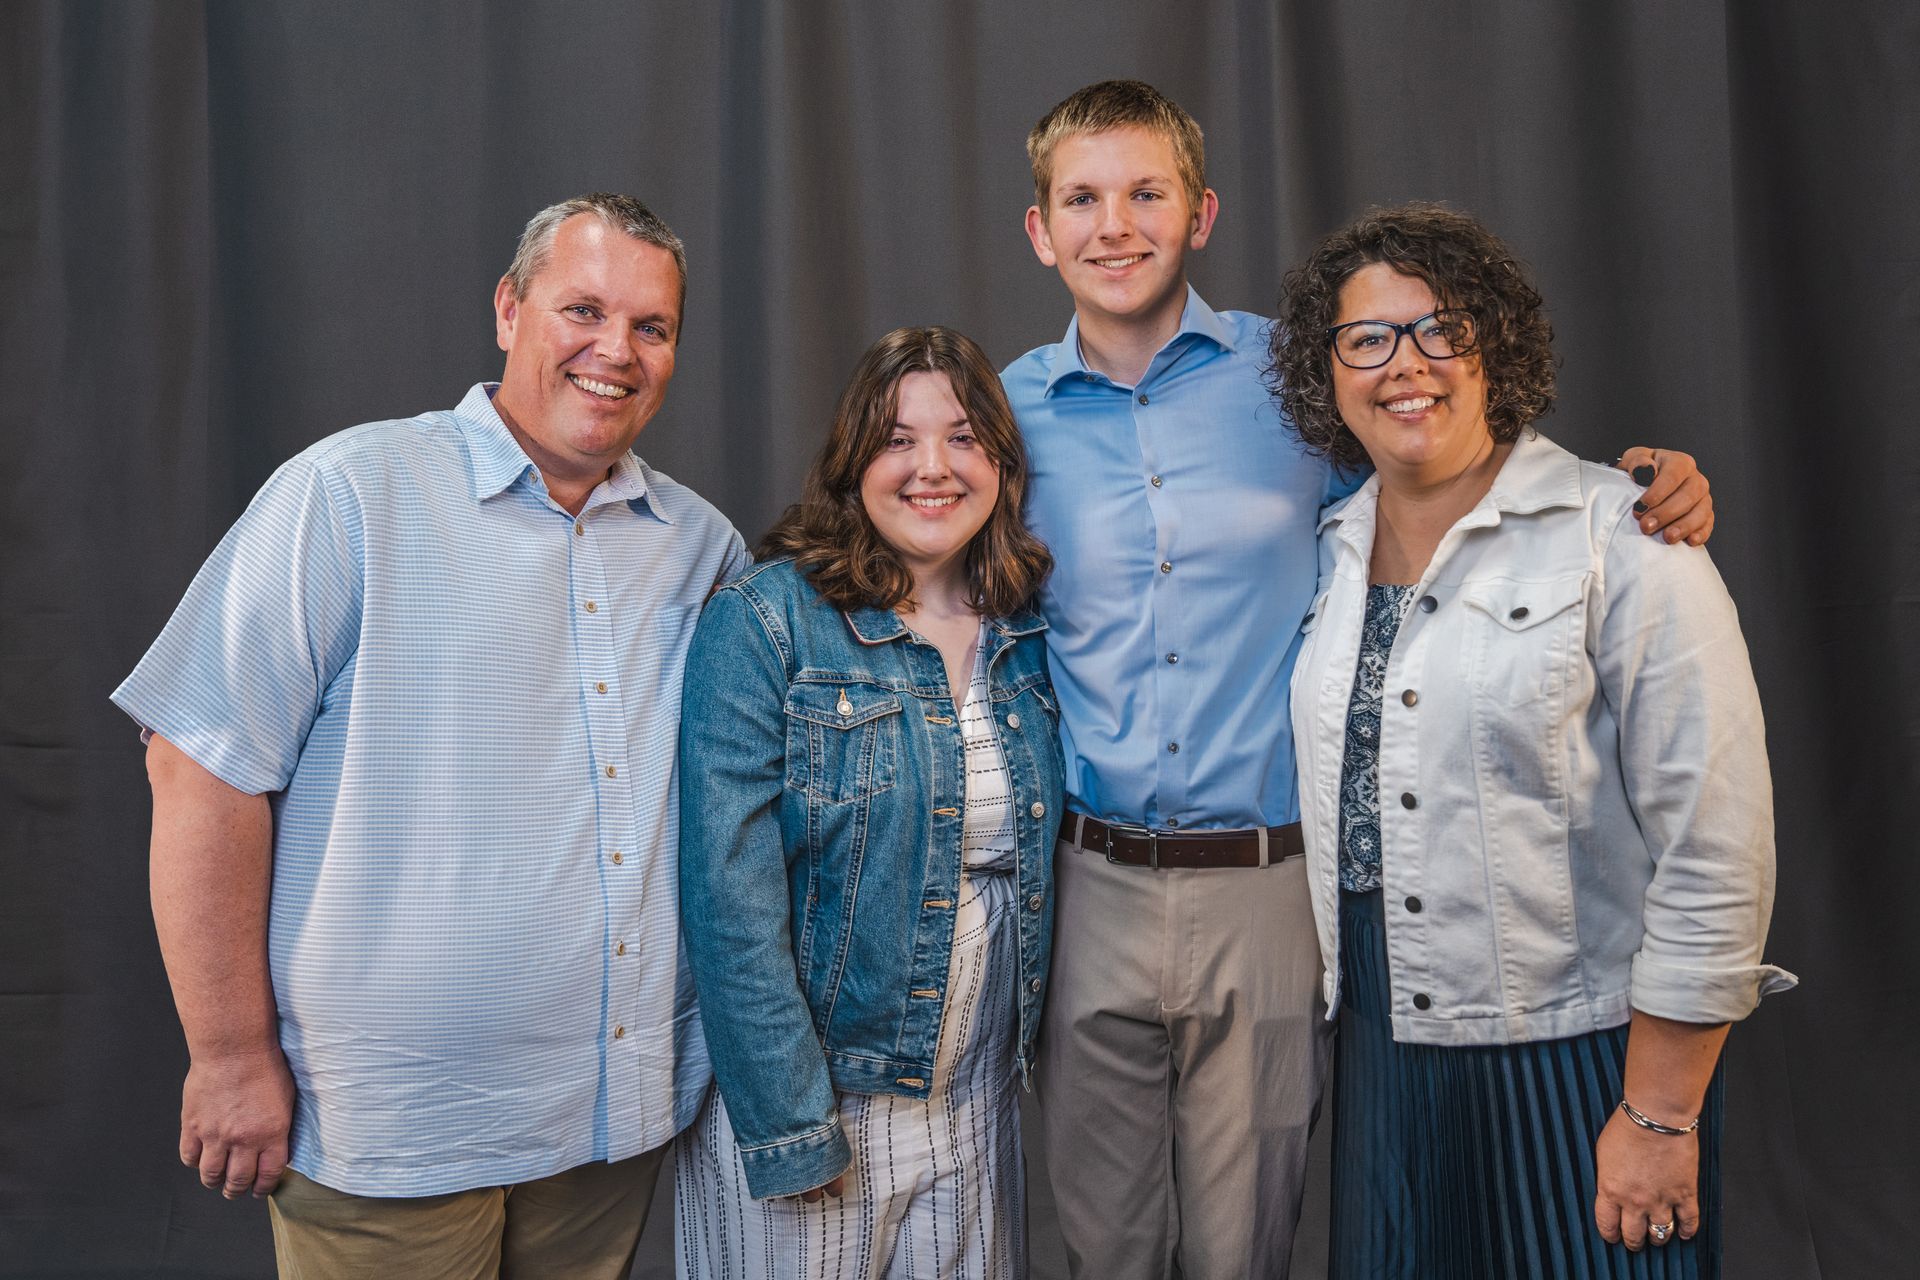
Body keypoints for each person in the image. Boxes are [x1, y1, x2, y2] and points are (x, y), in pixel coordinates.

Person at [1000, 79, 1723, 1278]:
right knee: (1103, 1249)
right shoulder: (1001, 412)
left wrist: (1633, 489)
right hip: (1087, 883)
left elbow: (1450, 474)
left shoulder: (1296, 383)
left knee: (1248, 1246)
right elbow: (909, 549)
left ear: (1202, 213)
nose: (1113, 224)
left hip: (1269, 882)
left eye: (1146, 193)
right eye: (1082, 198)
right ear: (1040, 229)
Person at [111, 194, 747, 1278]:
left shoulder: (701, 547)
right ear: (510, 310)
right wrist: (227, 1053)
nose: (617, 351)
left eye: (653, 327)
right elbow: (198, 766)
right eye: (583, 309)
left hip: (614, 1120)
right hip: (392, 1130)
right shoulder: (350, 495)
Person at [1271, 202, 1796, 1278]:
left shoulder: (1628, 537)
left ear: (1494, 344)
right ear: (1327, 372)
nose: (1404, 363)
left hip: (1586, 1054)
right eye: (1367, 338)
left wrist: (1656, 1114)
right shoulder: (1328, 549)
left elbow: (1717, 847)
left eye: (1441, 328)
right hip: (1383, 1051)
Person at [675, 327, 1064, 1279]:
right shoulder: (764, 622)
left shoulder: (1031, 632)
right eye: (898, 439)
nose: (932, 467)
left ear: (1003, 467)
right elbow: (728, 896)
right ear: (854, 464)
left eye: (964, 437)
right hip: (821, 1105)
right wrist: (789, 1126)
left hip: (978, 1110)